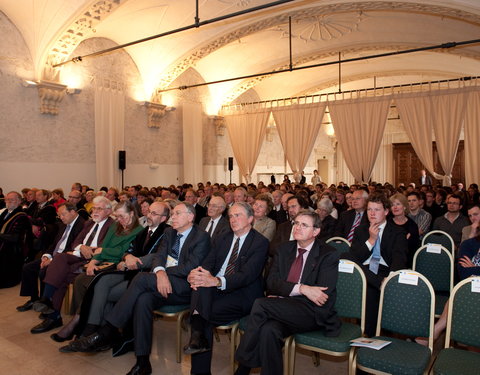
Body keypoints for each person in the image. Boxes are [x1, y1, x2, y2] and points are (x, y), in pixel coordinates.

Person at [60, 202, 210, 375]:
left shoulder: (201, 236)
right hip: (160, 282)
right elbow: (159, 257)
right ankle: (142, 362)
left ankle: (107, 330)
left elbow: (189, 267)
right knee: (142, 300)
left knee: (140, 279)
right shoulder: (170, 232)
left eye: (177, 214)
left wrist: (161, 273)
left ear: (191, 217)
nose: (172, 217)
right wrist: (159, 272)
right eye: (172, 214)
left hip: (184, 286)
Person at [234, 210, 340, 375]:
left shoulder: (328, 254)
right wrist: (303, 288)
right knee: (269, 330)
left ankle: (243, 365)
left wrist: (287, 291)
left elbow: (321, 296)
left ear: (316, 231)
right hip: (283, 307)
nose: (297, 228)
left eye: (304, 225)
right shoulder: (284, 249)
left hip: (311, 311)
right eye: (296, 223)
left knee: (261, 304)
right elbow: (271, 283)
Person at [51, 201, 171, 343]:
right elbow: (125, 250)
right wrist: (123, 257)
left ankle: (90, 328)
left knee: (99, 286)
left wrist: (125, 258)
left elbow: (154, 257)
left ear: (163, 218)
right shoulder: (144, 230)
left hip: (138, 274)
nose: (148, 215)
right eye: (149, 211)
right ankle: (92, 329)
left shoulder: (161, 231)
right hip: (123, 267)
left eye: (153, 213)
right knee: (88, 281)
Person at [184, 202, 269, 374]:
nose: (233, 219)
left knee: (202, 313)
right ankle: (198, 332)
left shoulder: (260, 243)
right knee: (201, 289)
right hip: (215, 289)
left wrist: (216, 281)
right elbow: (208, 263)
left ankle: (196, 330)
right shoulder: (223, 237)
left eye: (238, 215)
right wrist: (197, 275)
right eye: (231, 216)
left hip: (243, 294)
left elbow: (247, 275)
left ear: (251, 219)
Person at [345, 192, 408, 337]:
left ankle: (371, 335)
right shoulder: (361, 230)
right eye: (369, 210)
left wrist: (390, 278)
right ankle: (378, 283)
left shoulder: (397, 232)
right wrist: (371, 240)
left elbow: (399, 259)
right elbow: (355, 257)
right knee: (344, 256)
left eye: (377, 210)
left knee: (371, 290)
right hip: (364, 271)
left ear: (386, 212)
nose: (372, 214)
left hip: (384, 272)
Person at [17, 202, 84, 313]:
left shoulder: (82, 226)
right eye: (59, 215)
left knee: (43, 271)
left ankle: (47, 304)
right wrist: (46, 256)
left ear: (73, 212)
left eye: (63, 214)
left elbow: (73, 248)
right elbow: (54, 244)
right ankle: (34, 299)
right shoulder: (63, 224)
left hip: (66, 259)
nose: (61, 217)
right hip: (54, 256)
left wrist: (52, 261)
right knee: (28, 268)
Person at [416, 233, 480, 347]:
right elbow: (464, 273)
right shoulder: (468, 244)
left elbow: (470, 272)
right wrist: (474, 271)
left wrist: (474, 269)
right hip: (469, 288)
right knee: (460, 292)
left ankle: (435, 332)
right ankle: (459, 337)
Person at [0, 191, 32, 288]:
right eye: (7, 199)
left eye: (12, 200)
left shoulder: (21, 216)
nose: (9, 201)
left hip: (13, 247)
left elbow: (15, 237)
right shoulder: (5, 212)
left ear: (19, 201)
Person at [389, 193, 420, 268]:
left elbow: (413, 249)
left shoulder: (412, 226)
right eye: (392, 205)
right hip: (387, 261)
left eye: (398, 204)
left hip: (406, 262)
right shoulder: (387, 223)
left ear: (405, 207)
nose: (395, 207)